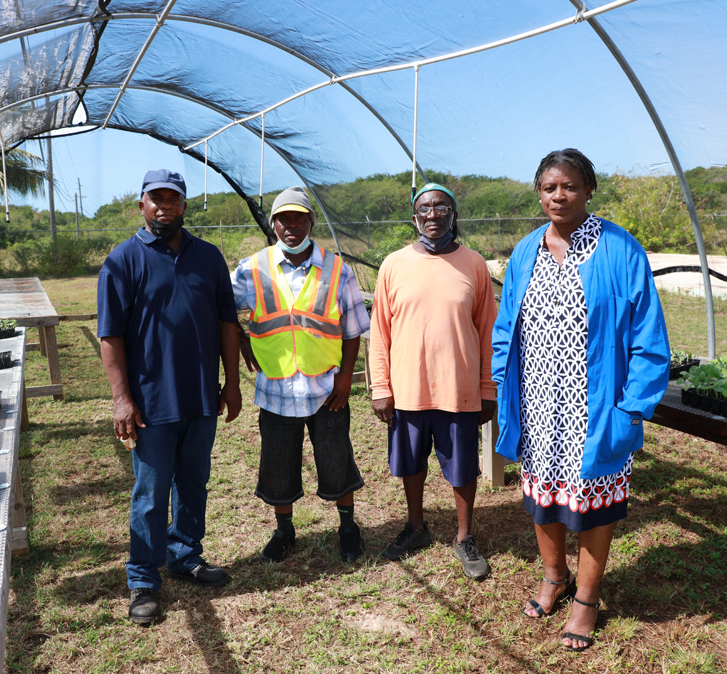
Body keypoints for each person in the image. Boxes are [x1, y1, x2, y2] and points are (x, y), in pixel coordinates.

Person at [491, 149, 670, 651]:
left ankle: (586, 599)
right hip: (537, 403)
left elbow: (647, 334)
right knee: (543, 501)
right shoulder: (526, 251)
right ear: (539, 193)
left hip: (596, 407)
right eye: (549, 188)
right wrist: (502, 382)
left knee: (594, 506)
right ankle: (554, 577)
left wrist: (632, 405)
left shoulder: (619, 248)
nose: (558, 196)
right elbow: (507, 325)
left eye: (569, 186)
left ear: (589, 190)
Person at [97, 169, 242, 625]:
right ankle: (143, 578)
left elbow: (226, 323)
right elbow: (110, 336)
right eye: (154, 199)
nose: (164, 206)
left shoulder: (209, 257)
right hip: (151, 403)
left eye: (172, 199)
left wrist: (232, 383)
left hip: (200, 397)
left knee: (194, 483)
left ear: (184, 205)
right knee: (151, 492)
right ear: (141, 205)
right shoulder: (123, 261)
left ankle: (184, 556)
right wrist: (122, 399)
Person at [232, 186, 370, 563]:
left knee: (337, 460)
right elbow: (223, 311)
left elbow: (354, 329)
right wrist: (244, 344)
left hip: (327, 388)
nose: (291, 225)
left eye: (299, 218)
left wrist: (345, 379)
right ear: (273, 223)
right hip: (276, 389)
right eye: (283, 218)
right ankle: (284, 531)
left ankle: (347, 527)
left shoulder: (337, 269)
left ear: (310, 221)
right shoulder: (252, 268)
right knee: (278, 466)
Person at [369, 182, 498, 581]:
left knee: (462, 467)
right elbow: (380, 332)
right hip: (407, 389)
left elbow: (488, 331)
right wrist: (381, 387)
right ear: (414, 217)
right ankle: (416, 526)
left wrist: (487, 388)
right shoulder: (393, 264)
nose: (433, 215)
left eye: (442, 207)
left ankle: (464, 536)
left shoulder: (474, 264)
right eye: (425, 208)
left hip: (457, 388)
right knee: (411, 463)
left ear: (453, 214)